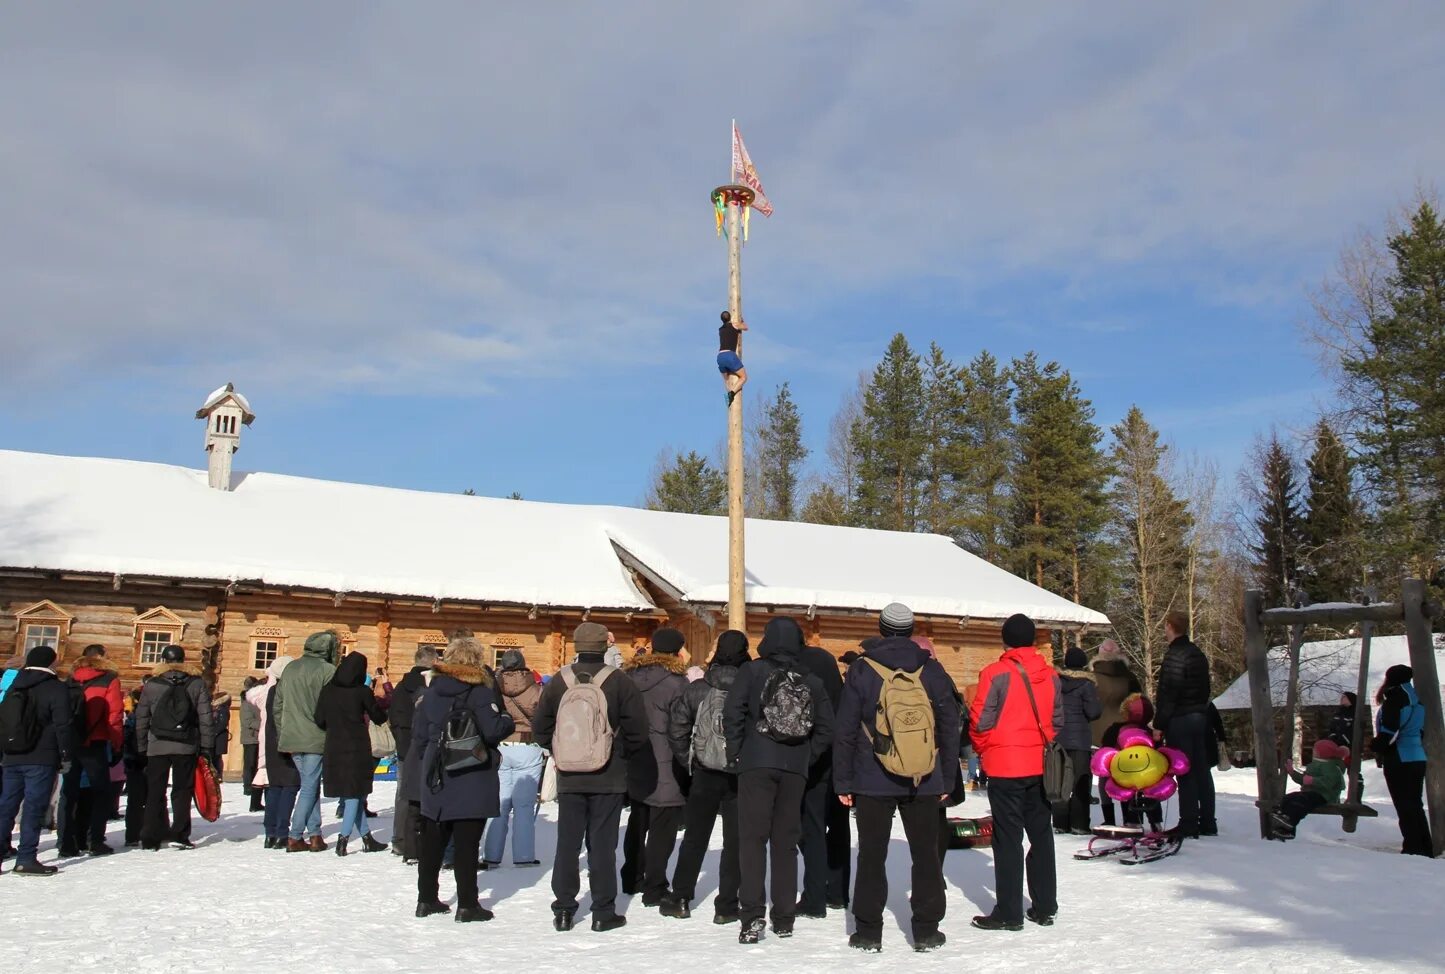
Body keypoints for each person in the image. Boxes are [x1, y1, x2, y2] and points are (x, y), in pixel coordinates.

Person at [833, 604, 959, 953]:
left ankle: (869, 932)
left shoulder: (861, 669)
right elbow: (949, 725)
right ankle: (927, 931)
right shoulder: (932, 670)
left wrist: (843, 781)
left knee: (871, 854)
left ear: (881, 628)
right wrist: (947, 778)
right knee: (926, 854)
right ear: (911, 629)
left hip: (872, 777)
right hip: (925, 776)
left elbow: (844, 729)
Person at [722, 617, 835, 944]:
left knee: (752, 840)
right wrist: (807, 755)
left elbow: (733, 712)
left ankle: (752, 916)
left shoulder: (753, 672)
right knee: (786, 843)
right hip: (795, 767)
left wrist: (736, 751)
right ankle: (784, 917)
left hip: (756, 763)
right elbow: (827, 727)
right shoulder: (811, 680)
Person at [533, 622, 650, 933]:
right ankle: (603, 911)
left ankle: (563, 910)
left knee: (567, 845)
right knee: (602, 845)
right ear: (604, 647)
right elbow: (639, 731)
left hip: (570, 774)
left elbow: (540, 728)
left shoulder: (559, 681)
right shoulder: (620, 682)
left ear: (575, 645)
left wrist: (561, 750)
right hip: (608, 776)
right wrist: (617, 751)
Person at [969, 614, 1062, 931]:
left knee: (1008, 839)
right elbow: (1058, 720)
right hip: (1040, 764)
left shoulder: (995, 673)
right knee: (1041, 835)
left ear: (1005, 640)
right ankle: (1045, 905)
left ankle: (1009, 912)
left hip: (1005, 764)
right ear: (1034, 640)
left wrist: (985, 747)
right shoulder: (1051, 676)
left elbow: (980, 720)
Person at [411, 636, 514, 922]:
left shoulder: (432, 691)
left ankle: (426, 898)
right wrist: (506, 720)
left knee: (433, 838)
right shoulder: (480, 691)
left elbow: (418, 733)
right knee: (467, 841)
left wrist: (428, 758)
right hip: (471, 769)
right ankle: (467, 903)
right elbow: (493, 730)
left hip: (437, 769)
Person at [662, 630, 750, 922]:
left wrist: (689, 759)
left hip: (704, 771)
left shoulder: (698, 687)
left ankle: (680, 897)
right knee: (736, 841)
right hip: (739, 773)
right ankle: (727, 906)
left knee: (695, 837)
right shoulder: (753, 686)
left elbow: (676, 729)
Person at [621, 627, 691, 906]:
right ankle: (655, 885)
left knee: (638, 821)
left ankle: (631, 876)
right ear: (677, 651)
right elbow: (682, 726)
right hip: (668, 760)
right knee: (663, 827)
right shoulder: (678, 683)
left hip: (636, 757)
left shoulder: (629, 678)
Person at [0, 646, 74, 875]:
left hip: (11, 754)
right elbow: (63, 724)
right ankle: (26, 858)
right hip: (42, 755)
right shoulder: (55, 687)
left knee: (6, 806)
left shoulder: (14, 684)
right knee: (33, 807)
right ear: (51, 662)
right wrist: (66, 754)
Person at [134, 645, 215, 850]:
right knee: (182, 791)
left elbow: (142, 717)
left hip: (157, 744)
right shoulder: (196, 683)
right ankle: (179, 834)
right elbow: (205, 717)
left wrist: (142, 745)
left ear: (163, 660)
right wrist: (206, 746)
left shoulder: (152, 684)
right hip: (185, 744)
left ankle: (150, 836)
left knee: (155, 791)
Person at [795, 631, 848, 919]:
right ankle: (838, 892)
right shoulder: (825, 658)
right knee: (838, 823)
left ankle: (814, 896)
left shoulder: (796, 664)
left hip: (811, 750)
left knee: (810, 825)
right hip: (840, 750)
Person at [314, 651, 388, 856]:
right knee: (354, 792)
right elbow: (379, 717)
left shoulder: (328, 690)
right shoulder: (361, 691)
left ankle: (367, 838)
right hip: (356, 746)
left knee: (349, 794)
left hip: (334, 745)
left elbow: (319, 719)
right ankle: (343, 838)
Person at [275, 630, 339, 852]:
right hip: (315, 736)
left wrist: (283, 731)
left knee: (309, 786)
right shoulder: (327, 670)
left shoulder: (290, 668)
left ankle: (315, 835)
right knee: (310, 786)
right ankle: (294, 836)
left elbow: (278, 705)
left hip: (292, 736)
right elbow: (332, 707)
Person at [1152, 611, 1214, 838]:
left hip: (1181, 718)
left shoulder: (1175, 656)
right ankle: (1208, 821)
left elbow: (1169, 693)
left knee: (1185, 769)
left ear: (1169, 626)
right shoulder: (1197, 653)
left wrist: (1159, 724)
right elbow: (1206, 687)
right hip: (1199, 715)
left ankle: (1189, 822)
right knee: (1202, 770)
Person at [60, 644, 124, 857]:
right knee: (100, 791)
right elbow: (114, 714)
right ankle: (94, 839)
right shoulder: (109, 679)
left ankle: (66, 842)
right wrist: (116, 743)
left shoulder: (70, 679)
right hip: (96, 741)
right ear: (102, 657)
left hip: (70, 741)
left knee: (69, 792)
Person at [483, 649, 545, 868]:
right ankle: (524, 855)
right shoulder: (536, 689)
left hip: (501, 745)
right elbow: (543, 718)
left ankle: (491, 854)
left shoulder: (493, 688)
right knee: (524, 806)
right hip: (528, 745)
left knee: (499, 804)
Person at [1374, 665, 1432, 857]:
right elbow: (1420, 730)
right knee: (1414, 803)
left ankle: (1413, 847)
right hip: (1417, 756)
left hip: (1399, 756)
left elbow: (1391, 730)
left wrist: (1377, 746)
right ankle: (1424, 845)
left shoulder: (1395, 699)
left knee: (1404, 804)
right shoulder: (1416, 699)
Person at [390, 645, 439, 861]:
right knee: (426, 793)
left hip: (404, 745)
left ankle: (400, 839)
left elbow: (394, 715)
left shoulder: (401, 686)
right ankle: (425, 841)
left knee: (404, 793)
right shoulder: (431, 686)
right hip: (424, 745)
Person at [248, 657, 298, 848]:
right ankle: (282, 833)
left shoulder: (269, 691)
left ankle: (270, 833)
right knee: (289, 786)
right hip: (286, 741)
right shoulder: (288, 691)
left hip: (269, 741)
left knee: (275, 786)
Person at [1053, 647, 1101, 835]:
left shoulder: (1055, 683)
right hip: (1080, 739)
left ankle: (1059, 822)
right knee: (1080, 782)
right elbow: (1093, 712)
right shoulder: (1086, 685)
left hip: (1058, 738)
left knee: (1059, 780)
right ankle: (1079, 824)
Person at [1100, 694, 1164, 831]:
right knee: (1150, 788)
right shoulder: (1151, 733)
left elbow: (1106, 750)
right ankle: (1156, 821)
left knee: (1122, 783)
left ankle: (1129, 820)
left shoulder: (1115, 730)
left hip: (1125, 772)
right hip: (1148, 774)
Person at [1270, 739, 1349, 840]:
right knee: (1290, 797)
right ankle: (1283, 819)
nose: (1313, 752)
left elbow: (1329, 783)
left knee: (1301, 802)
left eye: (1315, 751)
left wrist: (1312, 781)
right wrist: (1292, 772)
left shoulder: (1332, 767)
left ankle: (1289, 821)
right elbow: (1305, 779)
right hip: (1311, 793)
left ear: (1322, 753)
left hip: (1325, 796)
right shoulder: (1316, 764)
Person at [1089, 639, 1141, 747]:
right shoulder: (1130, 678)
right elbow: (1139, 706)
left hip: (1095, 735)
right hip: (1123, 733)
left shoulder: (1091, 679)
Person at [122, 686, 147, 847]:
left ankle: (132, 834)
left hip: (133, 760)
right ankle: (147, 831)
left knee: (135, 800)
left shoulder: (132, 717)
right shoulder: (146, 716)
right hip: (144, 759)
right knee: (149, 798)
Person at [239, 676, 263, 813]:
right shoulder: (246, 703)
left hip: (258, 737)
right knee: (249, 764)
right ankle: (247, 786)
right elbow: (248, 721)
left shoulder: (257, 702)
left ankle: (254, 788)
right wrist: (263, 725)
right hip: (250, 738)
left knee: (257, 765)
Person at [717, 310, 749, 405]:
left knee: (726, 379)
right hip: (729, 355)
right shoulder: (734, 325)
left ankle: (729, 395)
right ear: (730, 317)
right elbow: (746, 328)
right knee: (743, 377)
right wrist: (742, 322)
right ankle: (731, 394)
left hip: (720, 357)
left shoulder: (720, 329)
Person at [209, 681, 232, 779]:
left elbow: (222, 723)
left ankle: (218, 775)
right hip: (215, 736)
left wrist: (214, 732)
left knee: (217, 757)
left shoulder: (222, 709)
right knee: (214, 756)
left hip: (219, 736)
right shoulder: (216, 708)